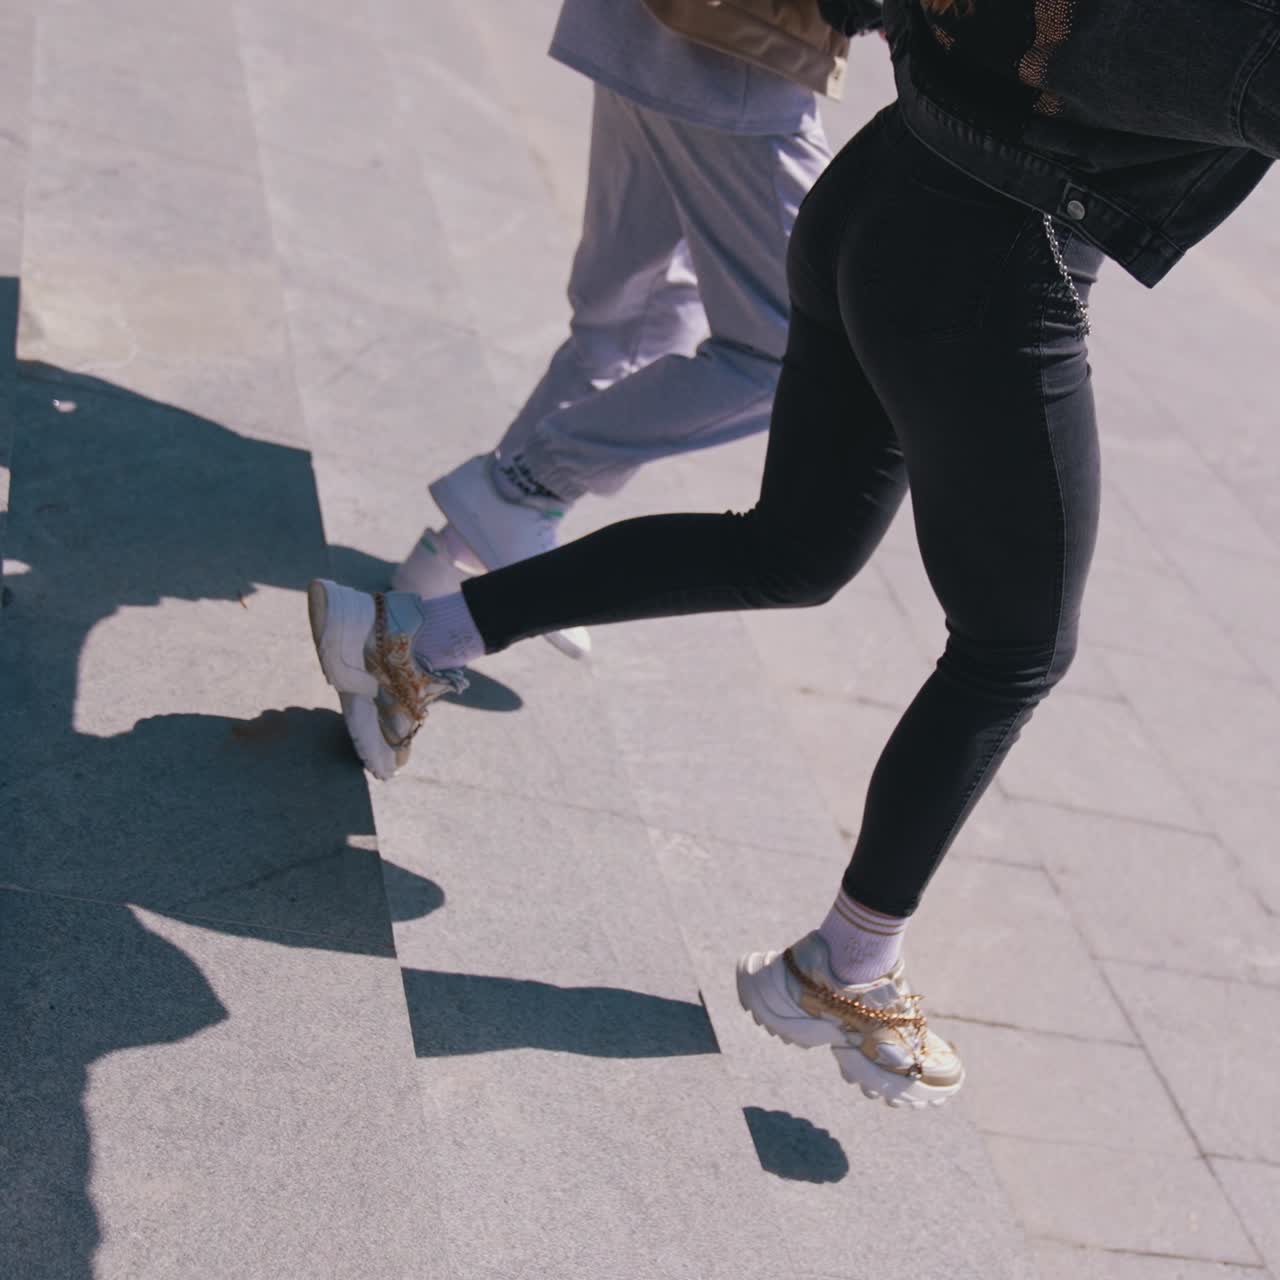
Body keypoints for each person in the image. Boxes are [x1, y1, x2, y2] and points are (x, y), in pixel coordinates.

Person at [308, 0, 1279, 1109]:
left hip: (876, 190)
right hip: (993, 261)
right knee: (1011, 648)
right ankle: (846, 966)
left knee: (794, 548)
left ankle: (414, 635)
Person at [392, 0, 846, 659]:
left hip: (654, 27)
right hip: (739, 51)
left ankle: (441, 567)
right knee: (807, 348)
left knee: (629, 309)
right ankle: (524, 487)